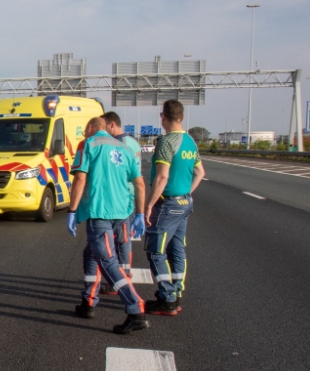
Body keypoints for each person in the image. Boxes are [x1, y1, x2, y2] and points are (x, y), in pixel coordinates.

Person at [68, 117, 148, 334]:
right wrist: (139, 214)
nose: (84, 133)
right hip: (123, 213)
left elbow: (80, 179)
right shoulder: (123, 148)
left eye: (86, 129)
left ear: (92, 128)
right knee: (91, 254)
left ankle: (135, 310)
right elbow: (139, 183)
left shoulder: (88, 144)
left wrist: (72, 210)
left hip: (100, 213)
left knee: (107, 262)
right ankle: (88, 302)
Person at [143, 99, 206, 316]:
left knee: (155, 251)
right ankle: (176, 291)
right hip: (185, 203)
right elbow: (200, 173)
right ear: (182, 117)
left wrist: (149, 204)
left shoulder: (167, 142)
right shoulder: (190, 141)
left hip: (167, 204)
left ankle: (167, 298)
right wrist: (186, 192)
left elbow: (162, 177)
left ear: (163, 117)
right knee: (177, 249)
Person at [101, 111, 142, 281]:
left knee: (118, 240)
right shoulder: (133, 142)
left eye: (104, 127)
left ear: (112, 124)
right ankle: (124, 273)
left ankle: (120, 277)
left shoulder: (117, 144)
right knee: (123, 239)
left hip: (120, 197)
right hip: (130, 196)